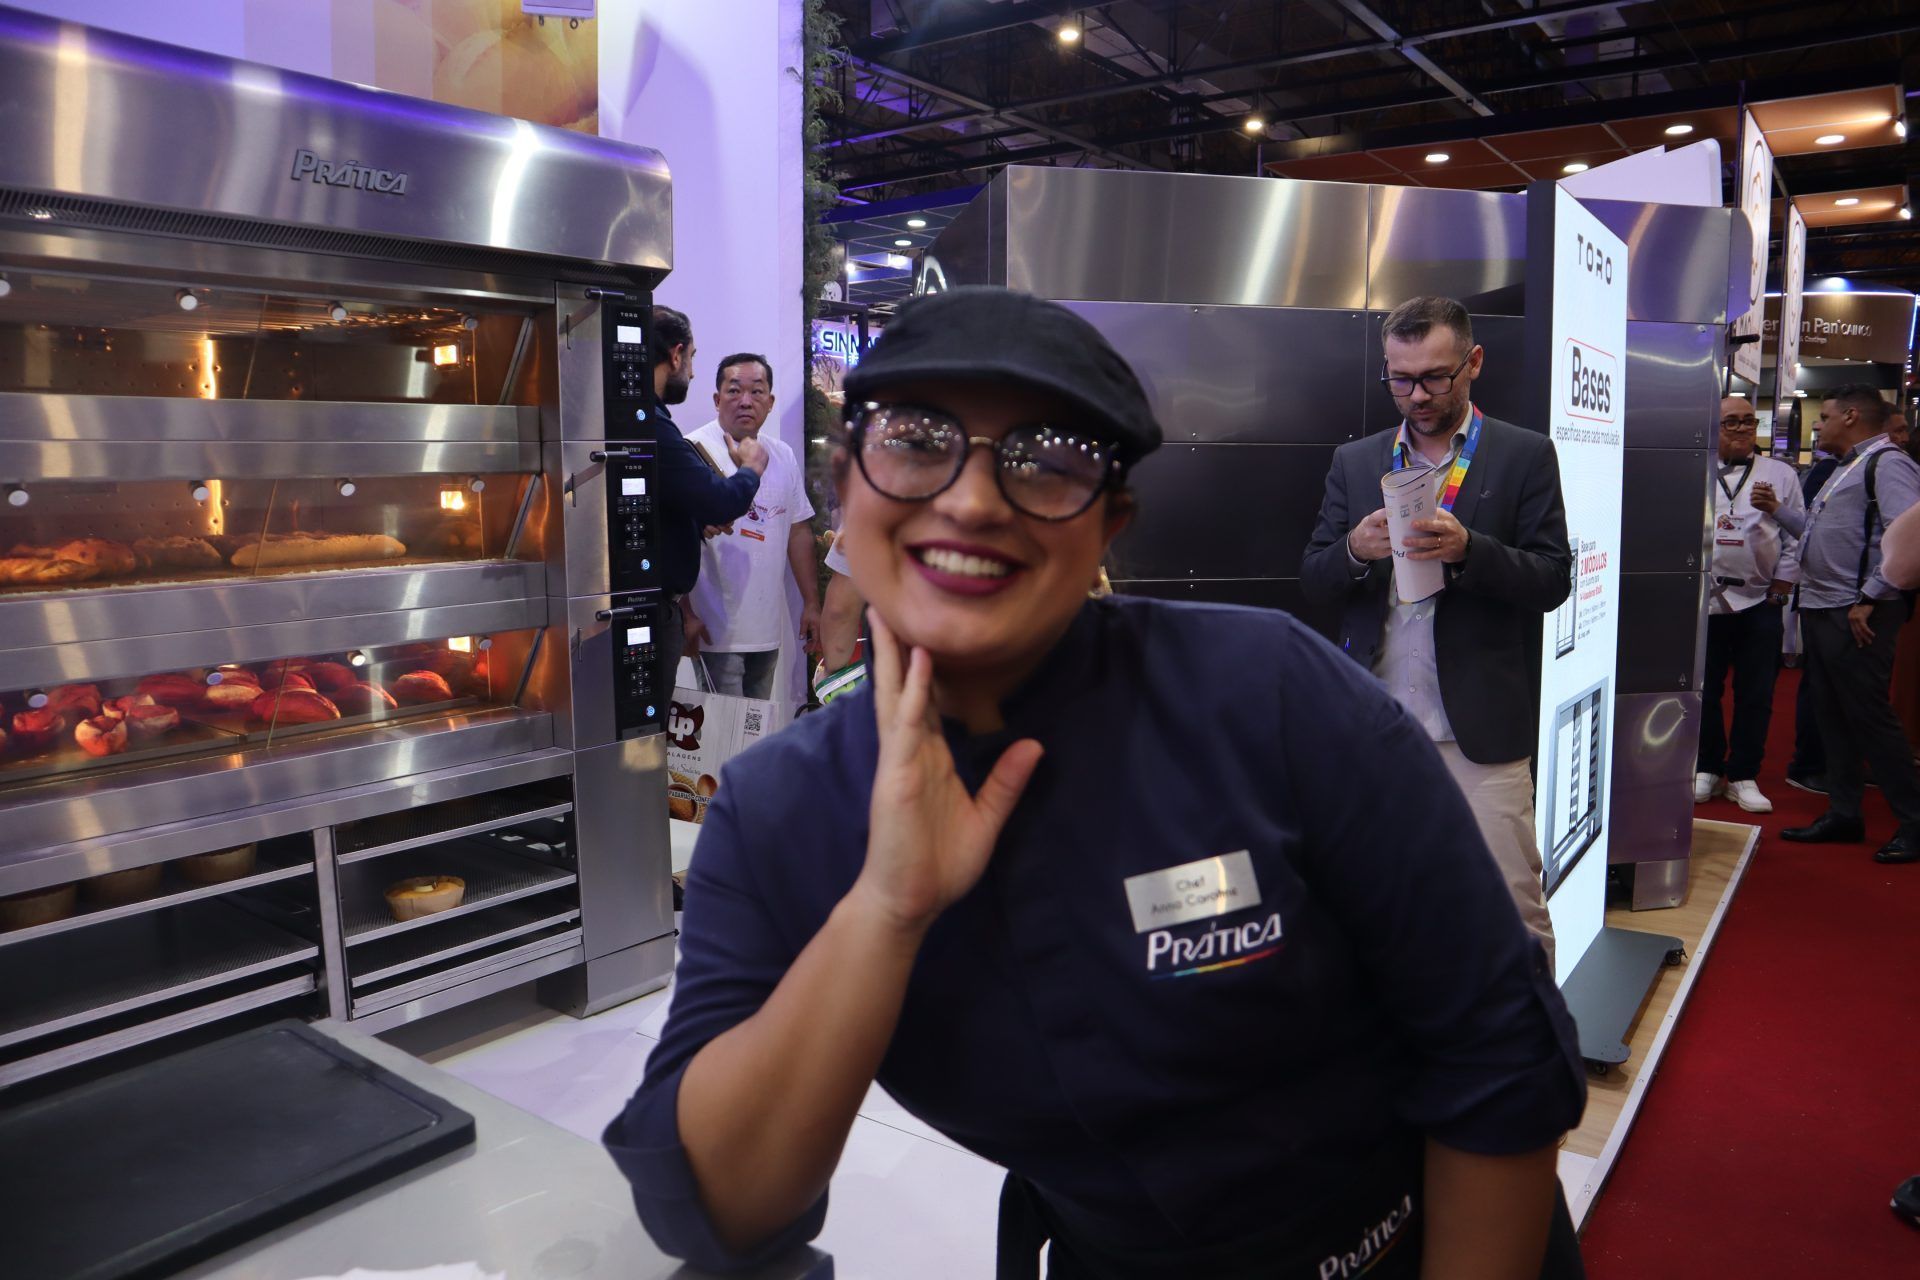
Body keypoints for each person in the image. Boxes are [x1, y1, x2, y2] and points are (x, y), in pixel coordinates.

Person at [605, 287, 1587, 1279]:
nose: (975, 499)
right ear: (845, 483)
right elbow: (718, 1204)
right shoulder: (781, 808)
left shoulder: (1269, 693)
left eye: (1049, 456)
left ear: (1112, 517)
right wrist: (885, 909)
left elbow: (1493, 1050)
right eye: (914, 437)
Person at [1301, 296, 1571, 966]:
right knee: (1378, 899)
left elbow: (1551, 579)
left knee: (1514, 909)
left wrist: (1469, 551)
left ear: (1473, 363)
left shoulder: (1523, 456)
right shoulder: (1356, 461)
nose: (1417, 395)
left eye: (1435, 377)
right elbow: (1314, 577)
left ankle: (1532, 1057)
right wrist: (1355, 552)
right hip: (1376, 728)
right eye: (1400, 378)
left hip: (1479, 733)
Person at [1781, 386, 1920, 863]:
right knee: (1832, 714)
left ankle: (1915, 822)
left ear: (1852, 416)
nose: (1818, 425)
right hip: (1825, 607)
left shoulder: (1888, 462)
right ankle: (1844, 812)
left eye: (1825, 416)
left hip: (1857, 612)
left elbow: (1911, 537)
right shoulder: (1847, 468)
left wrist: (1871, 597)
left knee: (1869, 717)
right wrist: (1779, 513)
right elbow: (1822, 534)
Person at [683, 353, 820, 700]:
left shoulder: (783, 455)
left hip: (766, 632)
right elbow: (670, 534)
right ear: (717, 399)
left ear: (771, 402)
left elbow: (798, 531)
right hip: (714, 631)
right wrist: (684, 613)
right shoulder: (692, 450)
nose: (745, 401)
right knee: (722, 742)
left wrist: (812, 603)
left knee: (753, 738)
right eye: (734, 391)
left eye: (757, 392)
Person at [1694, 396, 1805, 813]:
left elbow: (1797, 538)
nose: (1741, 429)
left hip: (1760, 600)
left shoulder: (1780, 473)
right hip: (1704, 600)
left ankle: (1743, 773)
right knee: (1703, 690)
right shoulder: (1697, 467)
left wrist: (1781, 588)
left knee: (1755, 692)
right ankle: (1706, 765)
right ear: (1712, 426)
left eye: (1747, 422)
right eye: (1730, 423)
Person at [648, 306, 768, 687]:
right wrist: (750, 469)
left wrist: (694, 522)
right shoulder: (652, 424)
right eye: (693, 358)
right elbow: (719, 500)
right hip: (663, 612)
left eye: (756, 391)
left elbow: (662, 504)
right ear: (676, 354)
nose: (693, 372)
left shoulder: (649, 418)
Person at [1786, 438, 1847, 795]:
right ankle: (1811, 764)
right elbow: (1805, 532)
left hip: (1844, 597)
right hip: (1829, 598)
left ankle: (1841, 766)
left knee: (1842, 692)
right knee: (1821, 685)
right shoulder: (1829, 471)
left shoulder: (1857, 468)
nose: (1820, 425)